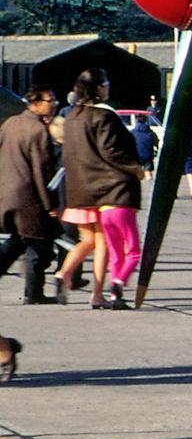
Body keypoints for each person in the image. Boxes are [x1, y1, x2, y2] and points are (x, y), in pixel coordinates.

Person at [54, 70, 144, 309]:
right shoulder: (103, 116)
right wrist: (135, 168)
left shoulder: (71, 116)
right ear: (99, 88)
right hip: (104, 188)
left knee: (88, 241)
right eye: (106, 84)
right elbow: (111, 151)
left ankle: (67, 273)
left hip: (78, 188)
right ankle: (100, 292)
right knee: (105, 244)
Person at [0, 89, 62, 304]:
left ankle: (34, 292)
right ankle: (34, 293)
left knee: (17, 241)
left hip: (9, 191)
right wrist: (51, 203)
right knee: (40, 244)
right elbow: (42, 170)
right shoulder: (37, 129)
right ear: (35, 103)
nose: (54, 104)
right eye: (50, 100)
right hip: (29, 196)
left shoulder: (10, 123)